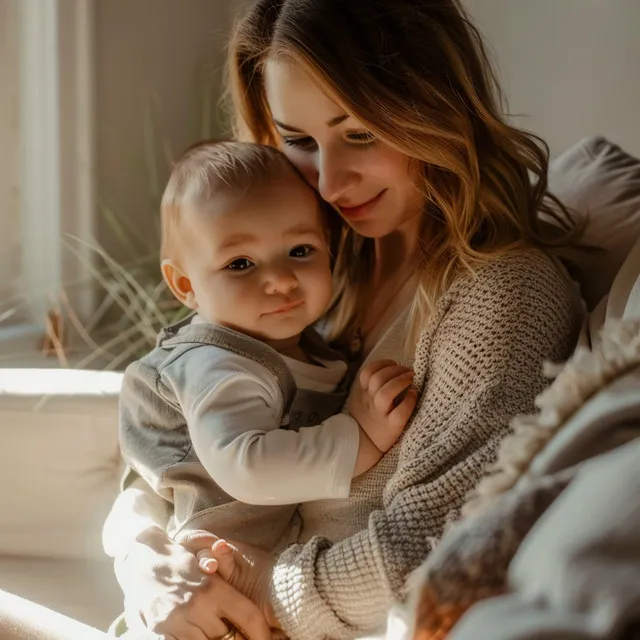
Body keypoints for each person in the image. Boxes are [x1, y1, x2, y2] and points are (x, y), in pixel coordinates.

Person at [110, 1, 585, 639]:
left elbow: (432, 546)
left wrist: (255, 590)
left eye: (359, 133)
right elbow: (173, 435)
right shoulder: (313, 268)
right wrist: (143, 558)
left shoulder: (502, 297)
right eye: (300, 142)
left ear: (432, 106)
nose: (330, 182)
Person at [114, 139, 417, 561]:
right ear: (185, 286)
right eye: (240, 263)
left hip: (272, 560)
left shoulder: (310, 346)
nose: (280, 279)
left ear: (328, 249)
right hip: (211, 565)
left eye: (299, 251)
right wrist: (359, 438)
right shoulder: (217, 365)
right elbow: (248, 467)